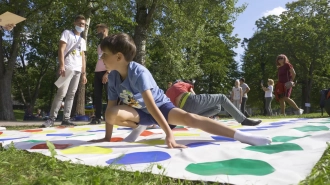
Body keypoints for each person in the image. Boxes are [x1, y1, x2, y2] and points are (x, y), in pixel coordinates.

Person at [90, 33, 271, 147]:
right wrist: (107, 138)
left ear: (119, 56)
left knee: (190, 118)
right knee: (111, 113)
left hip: (160, 107)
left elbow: (153, 106)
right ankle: (141, 126)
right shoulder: (112, 76)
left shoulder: (139, 73)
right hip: (139, 112)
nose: (101, 58)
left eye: (104, 54)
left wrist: (169, 133)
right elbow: (111, 107)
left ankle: (243, 136)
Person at [41, 15, 87, 128]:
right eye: (80, 23)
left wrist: (84, 73)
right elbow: (61, 49)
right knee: (61, 93)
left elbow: (83, 57)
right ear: (74, 23)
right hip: (67, 67)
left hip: (77, 69)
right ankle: (51, 119)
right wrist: (62, 65)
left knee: (71, 95)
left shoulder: (82, 40)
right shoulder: (67, 33)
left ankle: (66, 118)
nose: (82, 26)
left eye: (84, 24)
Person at [166, 80, 260, 126]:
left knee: (217, 108)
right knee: (222, 97)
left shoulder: (167, 93)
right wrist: (199, 101)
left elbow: (168, 107)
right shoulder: (180, 83)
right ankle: (243, 120)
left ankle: (198, 121)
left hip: (184, 111)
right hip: (191, 100)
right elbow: (192, 92)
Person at [89, 23, 110, 125]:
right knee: (97, 95)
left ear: (104, 31)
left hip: (106, 72)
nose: (98, 34)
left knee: (109, 95)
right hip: (97, 71)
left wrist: (108, 72)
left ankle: (110, 116)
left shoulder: (111, 43)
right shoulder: (99, 45)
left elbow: (112, 59)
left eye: (99, 32)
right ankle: (98, 117)